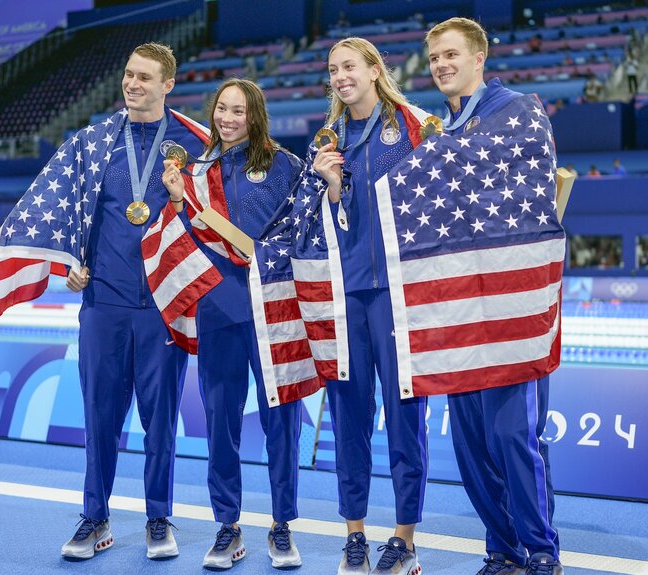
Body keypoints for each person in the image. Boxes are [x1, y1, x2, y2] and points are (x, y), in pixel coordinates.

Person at [59, 42, 209, 561]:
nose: (132, 84)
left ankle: (157, 517)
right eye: (128, 75)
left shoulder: (194, 143)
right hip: (103, 303)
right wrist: (69, 263)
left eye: (145, 77)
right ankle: (95, 518)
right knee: (100, 416)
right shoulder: (94, 142)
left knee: (160, 420)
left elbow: (210, 222)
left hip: (165, 306)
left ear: (169, 84)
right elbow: (71, 212)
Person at [426, 17, 564, 575]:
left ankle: (540, 552)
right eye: (434, 57)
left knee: (513, 435)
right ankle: (502, 550)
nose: (441, 65)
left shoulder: (519, 110)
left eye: (452, 54)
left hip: (508, 308)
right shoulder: (441, 129)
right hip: (459, 308)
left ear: (480, 58)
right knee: (473, 442)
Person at [161, 78, 306, 571]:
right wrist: (178, 201)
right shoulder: (196, 173)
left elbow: (305, 230)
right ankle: (228, 526)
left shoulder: (284, 164)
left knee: (280, 423)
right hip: (217, 310)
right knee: (221, 421)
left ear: (255, 115)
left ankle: (281, 525)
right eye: (221, 109)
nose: (227, 118)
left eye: (238, 111)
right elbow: (180, 242)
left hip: (273, 309)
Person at [311, 37, 430, 575]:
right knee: (348, 417)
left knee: (406, 417)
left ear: (375, 70)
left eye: (349, 66)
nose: (340, 76)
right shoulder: (330, 139)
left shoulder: (412, 124)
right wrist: (331, 187)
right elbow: (330, 225)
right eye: (333, 69)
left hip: (401, 296)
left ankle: (404, 538)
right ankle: (354, 534)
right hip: (347, 295)